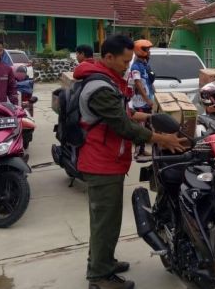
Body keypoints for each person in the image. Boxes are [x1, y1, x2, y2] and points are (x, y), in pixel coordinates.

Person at [73, 35, 186, 289]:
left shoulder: (107, 79)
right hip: (100, 163)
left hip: (109, 160)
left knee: (107, 219)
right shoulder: (99, 87)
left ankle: (103, 261)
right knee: (105, 221)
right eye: (124, 61)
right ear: (108, 57)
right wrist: (161, 139)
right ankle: (100, 278)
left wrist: (151, 115)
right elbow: (122, 125)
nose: (127, 65)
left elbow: (125, 113)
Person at [130, 39, 156, 161]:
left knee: (146, 126)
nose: (149, 52)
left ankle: (142, 149)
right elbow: (138, 84)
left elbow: (149, 83)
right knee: (140, 127)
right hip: (141, 102)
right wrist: (147, 99)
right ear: (141, 50)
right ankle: (138, 152)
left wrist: (153, 96)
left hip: (148, 100)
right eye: (147, 50)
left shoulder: (145, 65)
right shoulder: (135, 66)